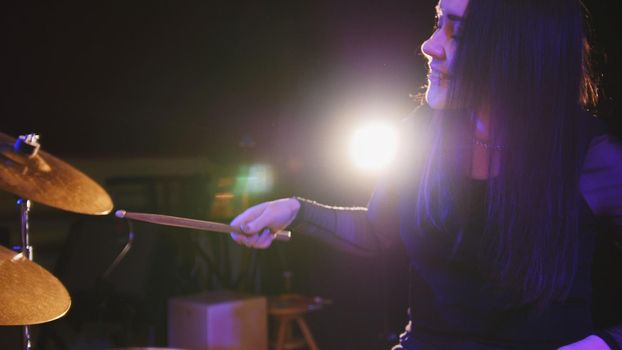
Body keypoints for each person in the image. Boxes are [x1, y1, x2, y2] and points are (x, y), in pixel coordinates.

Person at [229, 0, 622, 348]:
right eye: (439, 21)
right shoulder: (423, 132)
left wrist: (600, 343)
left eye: (459, 30)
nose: (430, 45)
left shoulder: (592, 156)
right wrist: (296, 209)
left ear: (519, 48)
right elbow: (379, 230)